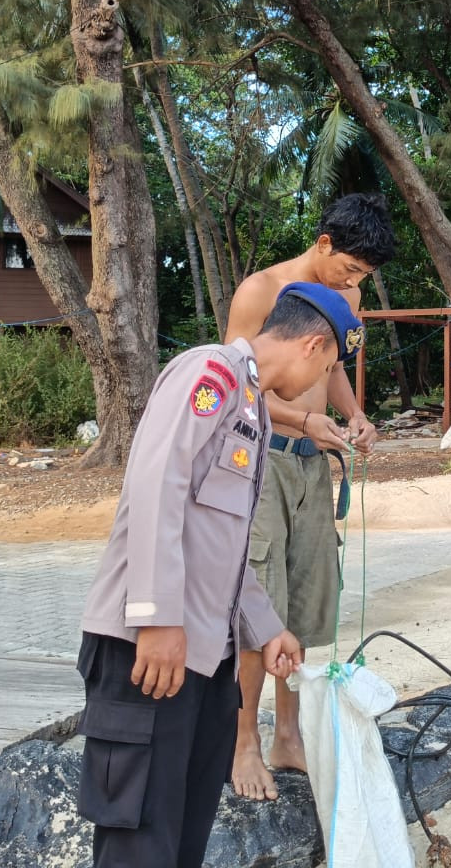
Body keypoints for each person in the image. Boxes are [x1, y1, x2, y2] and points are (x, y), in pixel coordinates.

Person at [76, 282, 365, 867]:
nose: (319, 383)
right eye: (329, 366)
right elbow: (158, 485)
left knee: (182, 838)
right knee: (139, 843)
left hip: (205, 661)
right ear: (313, 347)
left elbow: (223, 544)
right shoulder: (211, 375)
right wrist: (157, 618)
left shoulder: (253, 408)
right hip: (149, 653)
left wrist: (266, 627)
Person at [226, 193, 397, 801]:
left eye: (362, 279)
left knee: (304, 603)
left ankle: (288, 734)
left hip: (314, 466)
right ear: (324, 243)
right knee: (261, 606)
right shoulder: (259, 293)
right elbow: (236, 390)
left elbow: (334, 369)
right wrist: (302, 424)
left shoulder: (345, 299)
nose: (353, 286)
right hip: (262, 463)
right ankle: (245, 739)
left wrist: (353, 417)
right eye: (349, 270)